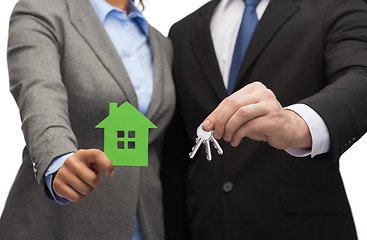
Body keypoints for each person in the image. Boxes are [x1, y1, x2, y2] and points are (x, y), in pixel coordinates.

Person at [162, 0, 367, 239]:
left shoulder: (335, 5)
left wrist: (295, 123)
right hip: (207, 228)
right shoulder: (182, 31)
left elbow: (360, 77)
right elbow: (175, 159)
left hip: (302, 229)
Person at [0, 0, 175, 239]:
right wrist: (58, 157)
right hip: (62, 224)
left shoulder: (162, 43)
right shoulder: (42, 11)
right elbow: (39, 90)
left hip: (146, 224)